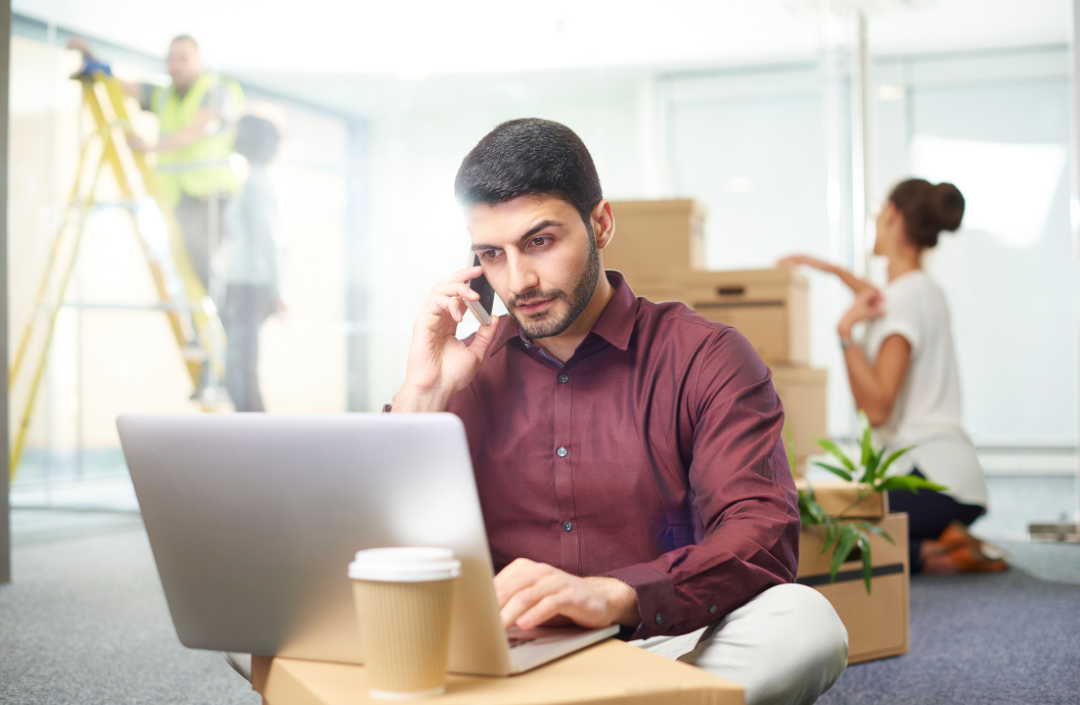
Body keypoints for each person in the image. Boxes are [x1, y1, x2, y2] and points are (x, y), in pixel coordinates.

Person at [389, 119, 848, 705]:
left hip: (657, 639)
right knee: (259, 637)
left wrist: (614, 596)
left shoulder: (705, 356)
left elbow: (762, 531)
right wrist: (422, 392)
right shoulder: (462, 369)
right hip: (499, 649)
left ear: (600, 223)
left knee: (804, 622)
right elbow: (380, 544)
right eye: (491, 255)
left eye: (540, 241)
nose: (519, 281)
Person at [779, 179, 1006, 574]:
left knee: (815, 526)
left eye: (879, 211)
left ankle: (936, 555)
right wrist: (829, 269)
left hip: (930, 479)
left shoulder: (904, 300)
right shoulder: (920, 289)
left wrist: (845, 333)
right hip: (952, 479)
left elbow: (878, 408)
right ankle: (944, 542)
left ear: (893, 216)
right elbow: (881, 297)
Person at [68, 35, 244, 291]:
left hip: (212, 200)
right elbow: (125, 86)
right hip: (177, 200)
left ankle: (213, 329)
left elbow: (199, 128)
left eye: (183, 58)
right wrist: (95, 62)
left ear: (199, 61)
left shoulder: (217, 90)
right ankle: (195, 331)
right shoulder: (164, 95)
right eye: (170, 59)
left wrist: (152, 147)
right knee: (187, 277)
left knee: (206, 274)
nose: (175, 65)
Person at [218, 116, 285, 412]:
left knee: (240, 373)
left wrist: (275, 290)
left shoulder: (255, 182)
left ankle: (259, 442)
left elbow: (268, 240)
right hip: (245, 284)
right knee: (239, 369)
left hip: (248, 285)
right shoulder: (253, 181)